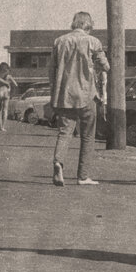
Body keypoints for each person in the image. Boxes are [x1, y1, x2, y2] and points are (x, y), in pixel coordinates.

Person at [49, 11, 110, 186]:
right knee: (88, 136)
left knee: (64, 132)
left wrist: (54, 93)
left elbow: (51, 71)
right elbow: (105, 66)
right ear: (87, 25)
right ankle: (83, 176)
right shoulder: (93, 42)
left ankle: (58, 162)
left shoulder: (59, 42)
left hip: (64, 95)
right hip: (86, 94)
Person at [0, 62, 19, 131]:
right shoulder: (8, 76)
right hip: (6, 93)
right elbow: (16, 84)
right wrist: (10, 85)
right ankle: (3, 126)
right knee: (5, 110)